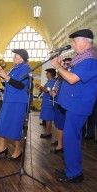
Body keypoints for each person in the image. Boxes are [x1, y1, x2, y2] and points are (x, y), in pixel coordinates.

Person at [51, 29, 97, 182]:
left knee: (71, 139)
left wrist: (58, 66)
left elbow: (71, 79)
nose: (73, 44)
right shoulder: (81, 59)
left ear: (85, 42)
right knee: (70, 139)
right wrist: (61, 67)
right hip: (73, 104)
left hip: (79, 105)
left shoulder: (90, 60)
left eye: (75, 41)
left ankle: (74, 174)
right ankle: (70, 169)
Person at [0, 49, 31, 160]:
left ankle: (18, 151)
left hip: (17, 101)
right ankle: (2, 147)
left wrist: (6, 76)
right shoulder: (14, 68)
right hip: (9, 99)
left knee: (15, 125)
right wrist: (2, 77)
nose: (13, 58)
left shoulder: (26, 68)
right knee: (2, 123)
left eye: (16, 56)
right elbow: (8, 84)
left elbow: (21, 86)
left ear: (22, 58)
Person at [50, 58, 71, 153]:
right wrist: (53, 92)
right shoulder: (59, 79)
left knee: (68, 128)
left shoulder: (71, 78)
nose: (66, 66)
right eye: (65, 64)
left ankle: (65, 146)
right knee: (59, 126)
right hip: (59, 104)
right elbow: (56, 89)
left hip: (68, 106)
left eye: (68, 64)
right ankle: (60, 144)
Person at [35, 68, 57, 138]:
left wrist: (40, 86)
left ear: (51, 74)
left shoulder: (52, 81)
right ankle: (48, 132)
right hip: (47, 101)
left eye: (47, 73)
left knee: (48, 118)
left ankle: (48, 133)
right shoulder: (49, 81)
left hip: (49, 102)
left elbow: (47, 91)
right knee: (47, 118)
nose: (46, 74)